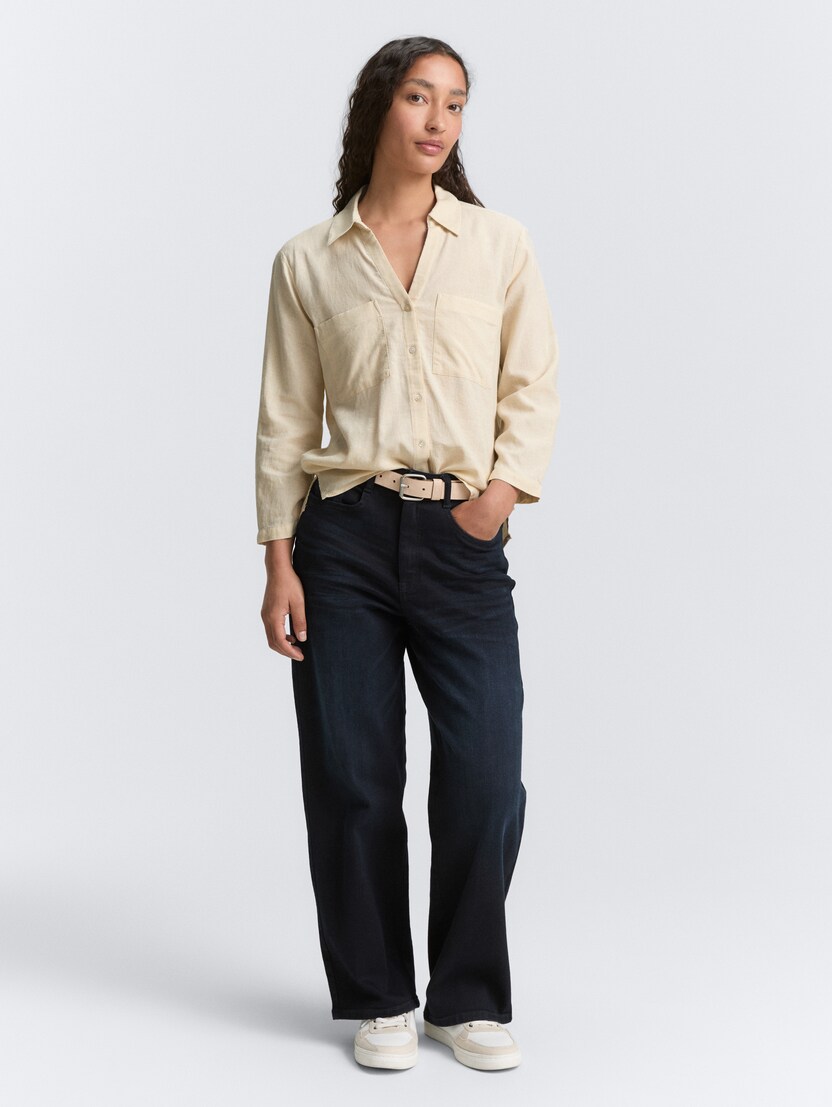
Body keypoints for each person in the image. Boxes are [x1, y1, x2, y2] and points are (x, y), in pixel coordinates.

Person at [255, 36, 560, 1072]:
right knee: (351, 774)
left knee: (487, 774)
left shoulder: (497, 244)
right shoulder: (308, 260)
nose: (438, 120)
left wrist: (496, 498)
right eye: (420, 98)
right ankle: (379, 995)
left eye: (456, 104)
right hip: (340, 537)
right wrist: (279, 559)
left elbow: (531, 386)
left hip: (459, 537)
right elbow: (286, 418)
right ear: (379, 108)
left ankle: (465, 997)